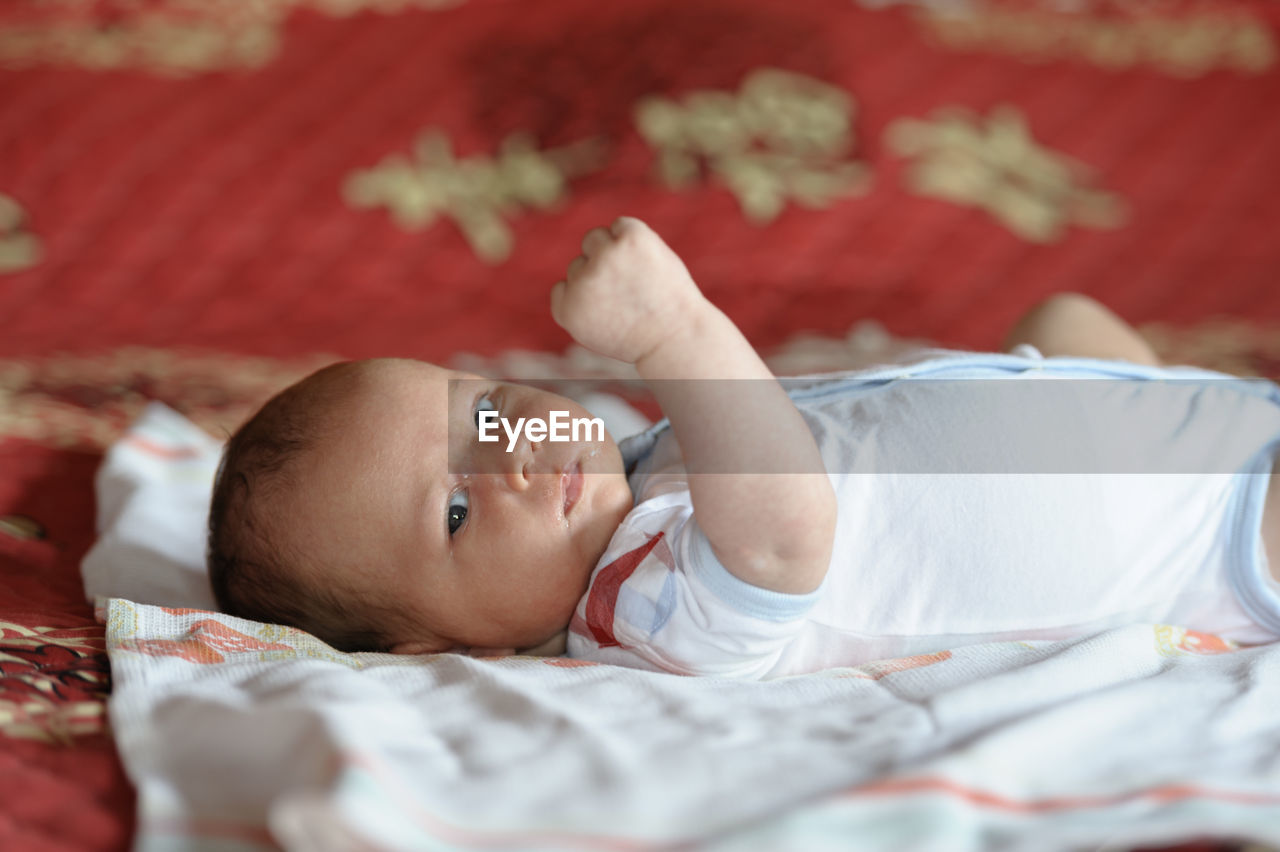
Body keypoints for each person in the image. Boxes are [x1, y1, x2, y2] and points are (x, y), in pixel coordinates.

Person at [207, 218, 1280, 678]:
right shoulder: (641, 612)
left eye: (483, 412)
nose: (515, 457)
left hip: (1143, 421)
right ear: (442, 650)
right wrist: (675, 330)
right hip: (1210, 535)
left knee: (1063, 311)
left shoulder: (629, 470)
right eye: (454, 510)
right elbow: (781, 537)